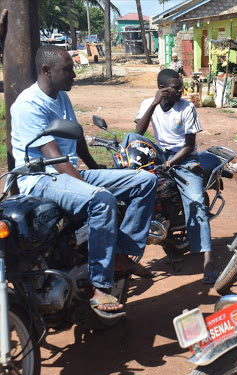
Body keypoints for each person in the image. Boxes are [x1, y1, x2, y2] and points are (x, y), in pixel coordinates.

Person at [10, 45, 158, 317]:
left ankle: (120, 253)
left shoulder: (61, 96)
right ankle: (100, 286)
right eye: (67, 69)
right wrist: (91, 187)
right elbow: (55, 158)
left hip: (66, 171)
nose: (74, 74)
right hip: (41, 178)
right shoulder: (28, 105)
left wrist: (93, 167)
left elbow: (76, 138)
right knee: (102, 200)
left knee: (144, 181)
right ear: (46, 70)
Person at [135, 69, 217, 284]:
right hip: (159, 152)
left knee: (196, 203)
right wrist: (153, 105)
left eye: (180, 86)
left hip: (184, 157)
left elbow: (189, 146)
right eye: (176, 87)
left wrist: (169, 164)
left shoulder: (187, 107)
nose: (181, 90)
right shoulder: (148, 104)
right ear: (162, 89)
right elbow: (137, 133)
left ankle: (208, 260)